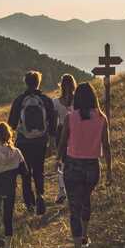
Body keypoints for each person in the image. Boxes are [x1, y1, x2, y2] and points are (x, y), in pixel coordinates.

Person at [57, 82, 112, 248]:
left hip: (73, 166)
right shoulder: (102, 118)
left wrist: (58, 159)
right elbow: (107, 146)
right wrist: (110, 171)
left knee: (75, 207)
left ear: (77, 99)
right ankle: (85, 235)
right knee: (86, 199)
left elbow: (63, 142)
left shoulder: (71, 118)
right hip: (92, 167)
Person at [8, 70, 57, 215]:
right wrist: (52, 141)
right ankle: (40, 196)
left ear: (26, 82)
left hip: (23, 142)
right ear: (38, 82)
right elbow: (53, 121)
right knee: (39, 170)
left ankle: (29, 204)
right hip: (41, 141)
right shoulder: (46, 100)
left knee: (25, 173)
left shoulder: (19, 100)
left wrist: (10, 144)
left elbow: (11, 124)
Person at [54, 74, 76, 204]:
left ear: (61, 85)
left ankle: (62, 190)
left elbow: (54, 122)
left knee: (61, 161)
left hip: (60, 132)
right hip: (75, 132)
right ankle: (72, 188)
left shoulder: (56, 103)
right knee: (73, 160)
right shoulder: (78, 101)